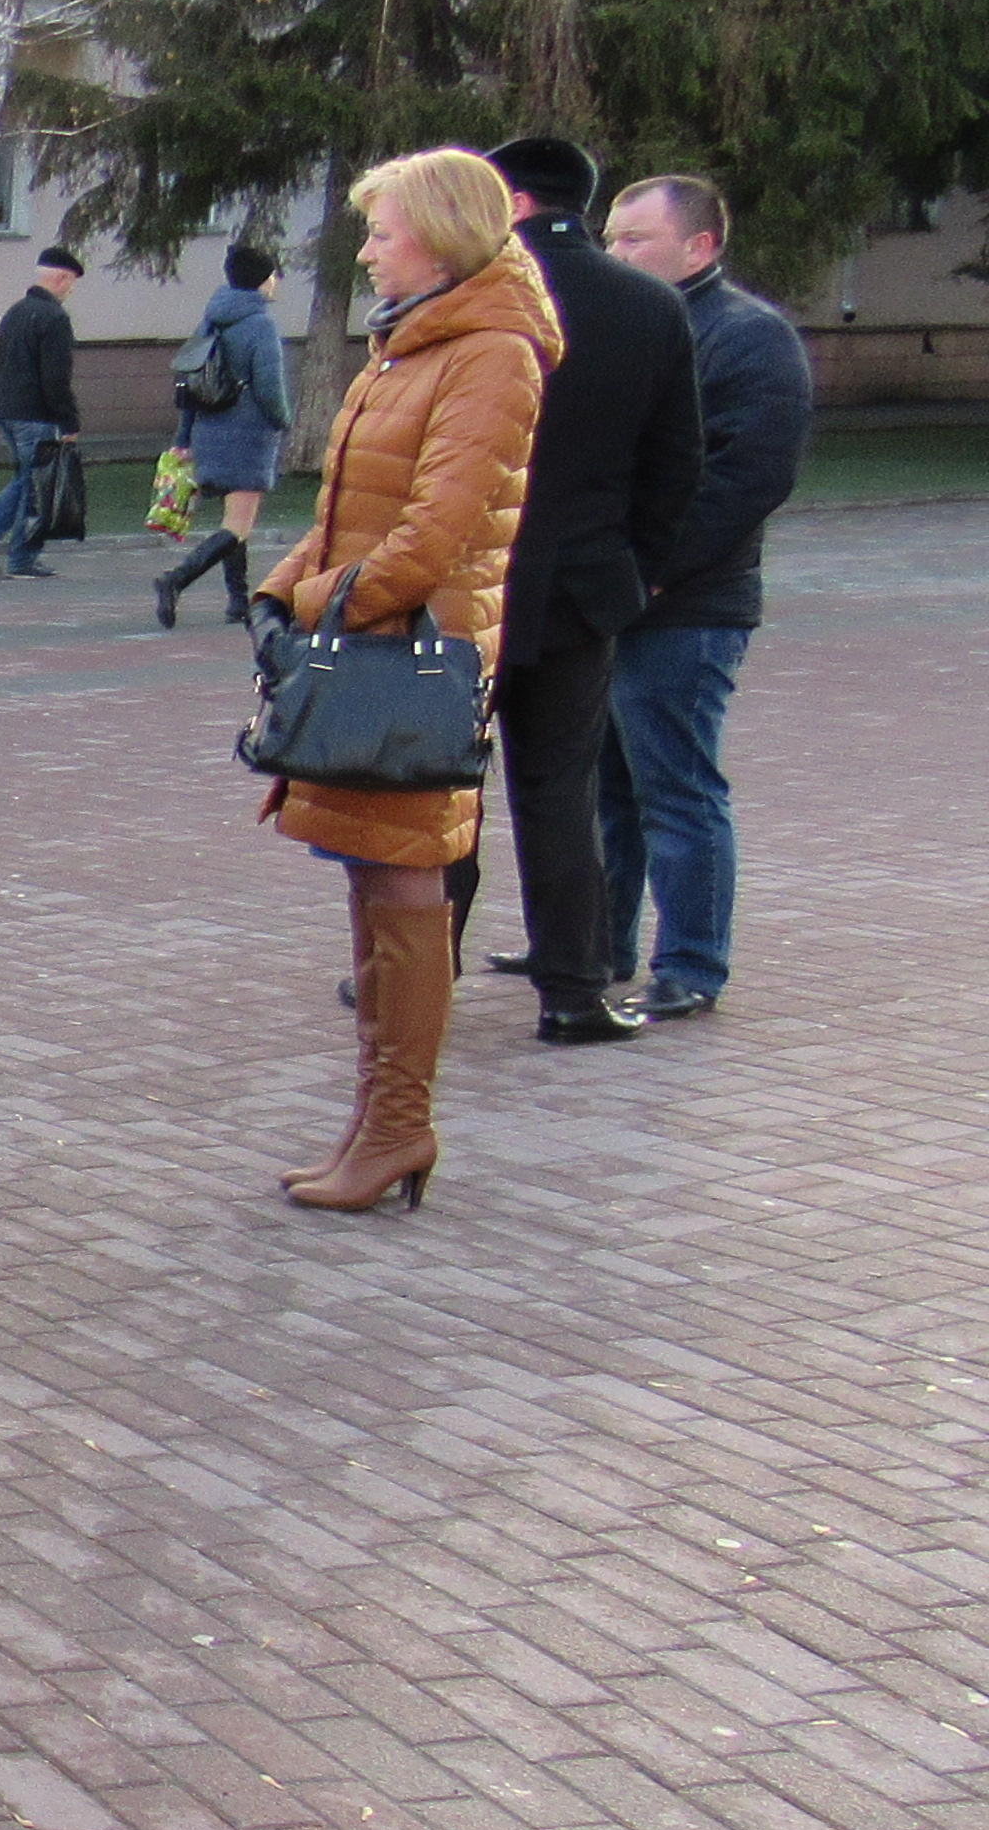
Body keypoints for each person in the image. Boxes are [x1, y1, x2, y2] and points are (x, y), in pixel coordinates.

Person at [258, 148, 560, 1214]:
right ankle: (376, 1123)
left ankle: (398, 1124)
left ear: (438, 233)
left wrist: (311, 600)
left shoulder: (489, 353)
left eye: (382, 231)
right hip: (375, 645)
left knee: (405, 889)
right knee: (374, 885)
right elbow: (353, 506)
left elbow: (435, 534)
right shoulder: (414, 345)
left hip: (410, 662)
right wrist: (283, 582)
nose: (370, 249)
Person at [463, 134, 699, 1042]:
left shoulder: (473, 292)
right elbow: (678, 461)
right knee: (560, 790)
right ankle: (572, 989)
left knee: (442, 784)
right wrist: (638, 569)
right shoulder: (649, 305)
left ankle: (413, 975)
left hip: (466, 585)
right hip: (583, 591)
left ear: (513, 203)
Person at [591, 173, 814, 1020]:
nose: (615, 253)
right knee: (607, 787)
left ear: (700, 246)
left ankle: (689, 964)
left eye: (634, 240)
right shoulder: (623, 330)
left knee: (675, 788)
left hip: (686, 608)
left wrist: (647, 571)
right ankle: (597, 945)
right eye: (610, 237)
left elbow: (747, 479)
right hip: (610, 598)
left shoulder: (748, 339)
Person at [152, 241, 292, 628]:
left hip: (208, 431)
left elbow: (189, 384)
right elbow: (269, 387)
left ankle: (237, 600)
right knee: (238, 525)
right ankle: (175, 580)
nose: (276, 282)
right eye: (274, 275)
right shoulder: (260, 325)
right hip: (249, 435)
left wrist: (184, 437)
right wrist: (283, 420)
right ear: (264, 280)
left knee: (234, 518)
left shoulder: (211, 320)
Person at [0, 246, 84, 580]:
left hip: (5, 410)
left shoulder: (15, 312)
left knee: (25, 480)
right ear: (61, 278)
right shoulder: (55, 319)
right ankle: (11, 554)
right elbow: (56, 378)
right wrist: (69, 421)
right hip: (37, 415)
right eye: (72, 281)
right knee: (36, 488)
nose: (71, 288)